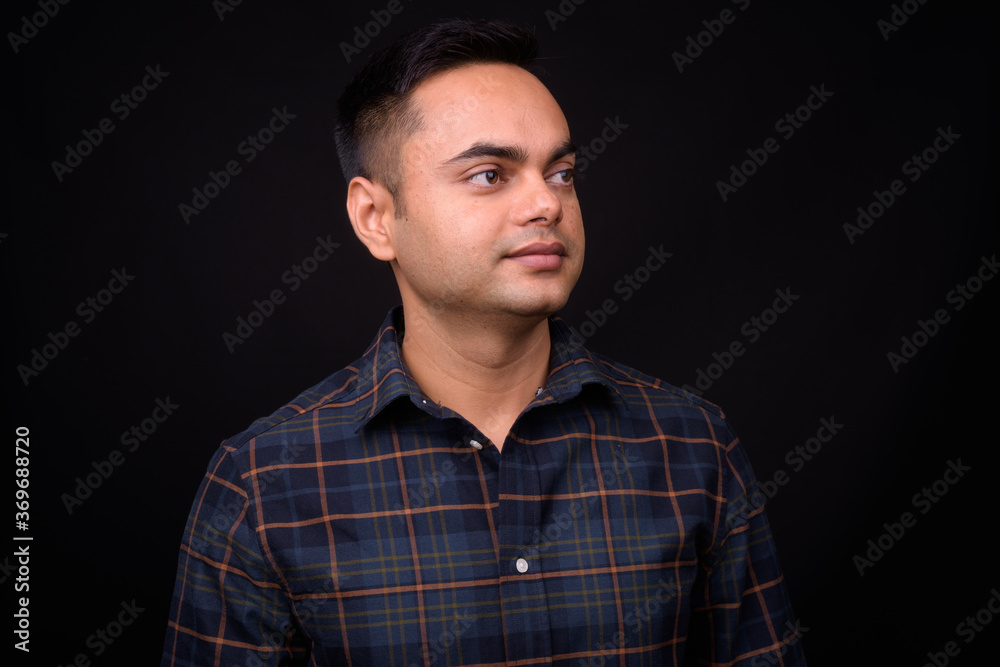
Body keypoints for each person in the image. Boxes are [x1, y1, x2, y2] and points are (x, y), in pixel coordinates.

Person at [162, 18, 807, 666]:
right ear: (375, 218)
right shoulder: (262, 485)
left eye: (561, 172)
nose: (546, 204)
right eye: (490, 174)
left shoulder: (694, 447)